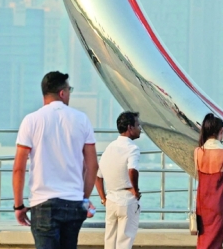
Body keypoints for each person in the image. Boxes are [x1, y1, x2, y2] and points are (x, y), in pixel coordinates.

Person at [13, 71, 98, 249]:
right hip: (74, 202)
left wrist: (19, 205)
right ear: (62, 93)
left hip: (43, 203)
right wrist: (84, 197)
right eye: (69, 90)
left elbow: (19, 169)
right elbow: (92, 166)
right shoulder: (81, 119)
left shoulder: (31, 120)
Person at [193, 113, 223, 249]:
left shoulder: (197, 151)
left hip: (202, 204)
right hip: (219, 204)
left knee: (203, 241)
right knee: (215, 242)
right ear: (221, 132)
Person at [97, 112, 143, 249]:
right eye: (138, 125)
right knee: (124, 242)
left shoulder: (109, 148)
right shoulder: (132, 148)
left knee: (110, 241)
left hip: (111, 200)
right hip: (127, 201)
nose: (140, 128)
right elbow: (132, 169)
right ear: (130, 127)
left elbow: (98, 176)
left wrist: (103, 198)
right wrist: (135, 189)